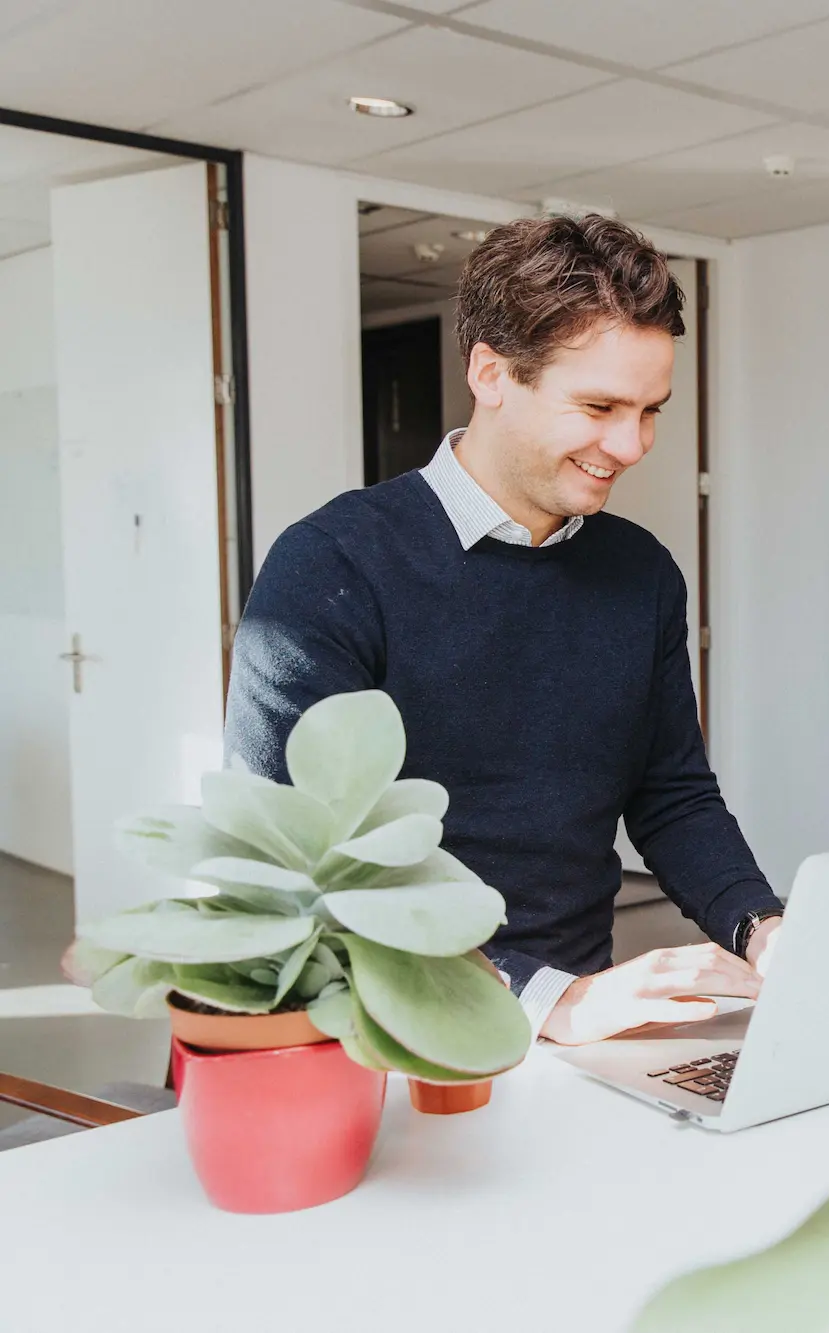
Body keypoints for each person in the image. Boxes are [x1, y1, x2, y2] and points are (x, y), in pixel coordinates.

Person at [226, 216, 781, 1046]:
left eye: (649, 411)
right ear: (490, 371)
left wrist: (761, 927)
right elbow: (297, 856)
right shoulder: (332, 564)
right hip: (371, 1031)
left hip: (572, 1035)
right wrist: (545, 995)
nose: (629, 445)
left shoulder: (643, 575)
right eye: (598, 406)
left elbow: (671, 794)